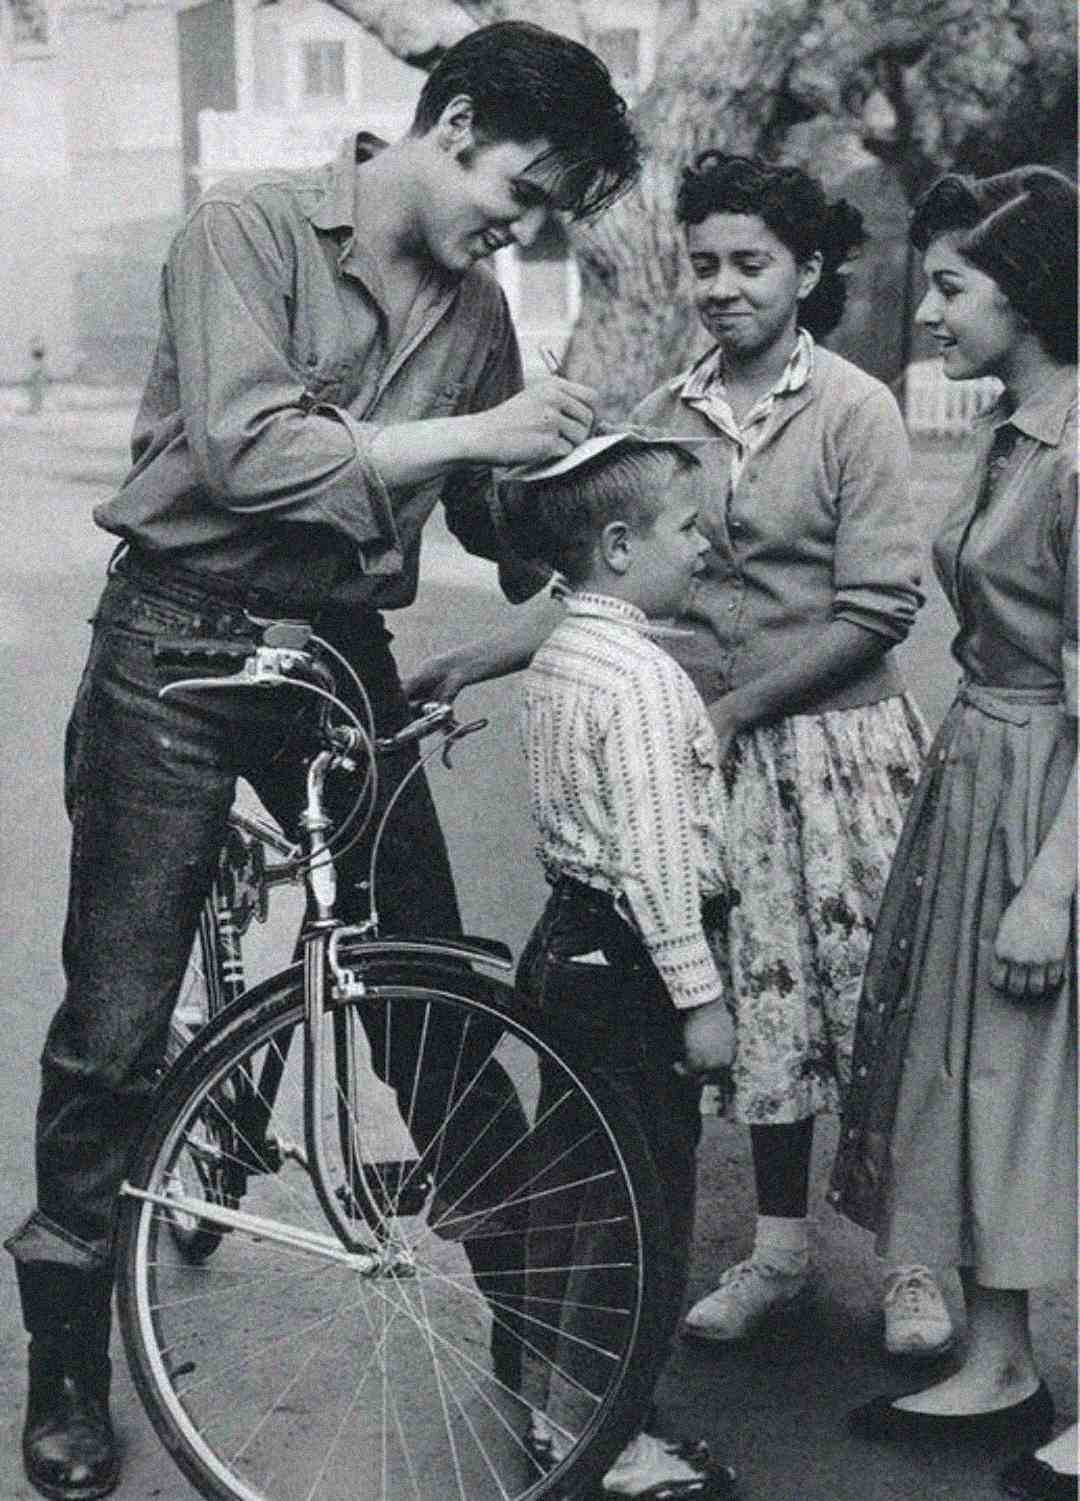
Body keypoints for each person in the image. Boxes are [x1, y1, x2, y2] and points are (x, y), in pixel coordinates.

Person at [3, 22, 641, 1501]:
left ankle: (538, 1351)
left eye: (546, 214)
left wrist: (580, 481)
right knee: (112, 1023)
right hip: (171, 639)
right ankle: (67, 1371)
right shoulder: (248, 228)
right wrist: (474, 426)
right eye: (525, 189)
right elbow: (248, 451)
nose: (521, 228)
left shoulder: (481, 311)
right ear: (455, 119)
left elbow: (480, 510)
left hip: (334, 639)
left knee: (427, 986)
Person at [409, 150, 951, 1357]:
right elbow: (604, 584)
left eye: (750, 263)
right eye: (702, 262)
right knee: (758, 1011)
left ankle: (915, 1256)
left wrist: (739, 706)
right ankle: (780, 1247)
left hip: (837, 751)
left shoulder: (856, 408)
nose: (722, 286)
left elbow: (879, 607)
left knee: (871, 1010)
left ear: (807, 273)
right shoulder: (664, 412)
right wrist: (477, 657)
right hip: (708, 758)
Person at [829, 167, 1077, 1499]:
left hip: (1055, 790)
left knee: (1058, 1091)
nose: (930, 312)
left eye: (951, 287)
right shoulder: (1012, 425)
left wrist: (1052, 887)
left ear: (1028, 292)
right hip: (984, 764)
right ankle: (999, 1361)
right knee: (981, 1077)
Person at [507, 431, 738, 1498]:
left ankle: (558, 1402)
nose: (704, 547)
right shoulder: (642, 677)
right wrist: (700, 998)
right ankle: (608, 1433)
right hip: (635, 963)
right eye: (686, 529)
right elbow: (655, 863)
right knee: (641, 1199)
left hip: (568, 945)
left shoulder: (562, 654)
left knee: (572, 1184)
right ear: (615, 544)